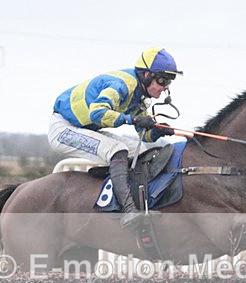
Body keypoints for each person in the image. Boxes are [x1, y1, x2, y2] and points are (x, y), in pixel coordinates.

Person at [49, 47, 181, 228]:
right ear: (146, 74)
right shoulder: (122, 85)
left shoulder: (139, 95)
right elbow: (97, 113)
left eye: (169, 81)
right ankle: (128, 210)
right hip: (64, 129)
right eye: (162, 80)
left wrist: (158, 131)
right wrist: (133, 119)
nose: (165, 86)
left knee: (145, 150)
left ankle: (144, 201)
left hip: (86, 129)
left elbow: (146, 137)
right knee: (117, 149)